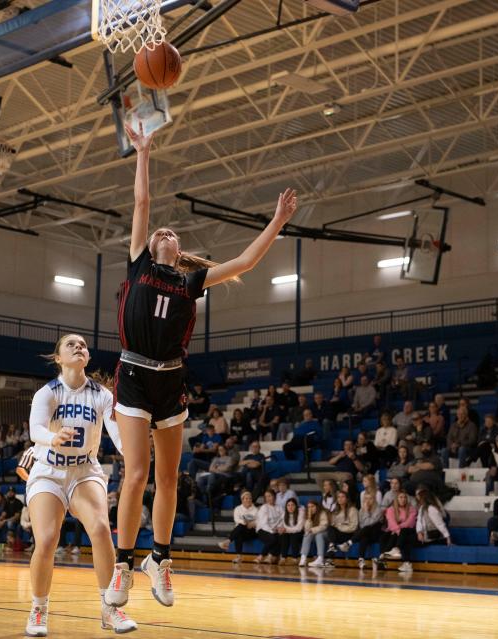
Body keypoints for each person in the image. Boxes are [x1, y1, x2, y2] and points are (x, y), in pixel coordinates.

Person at [106, 124, 297, 609]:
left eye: (173, 232)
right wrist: (143, 152)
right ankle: (122, 567)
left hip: (171, 379)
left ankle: (160, 561)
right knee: (135, 475)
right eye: (160, 233)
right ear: (150, 246)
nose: (166, 231)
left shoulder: (193, 282)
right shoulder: (138, 266)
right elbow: (142, 203)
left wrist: (277, 221)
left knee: (169, 480)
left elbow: (247, 262)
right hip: (131, 375)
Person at [24, 334, 136, 636]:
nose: (79, 347)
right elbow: (36, 429)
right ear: (58, 357)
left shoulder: (101, 394)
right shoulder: (47, 393)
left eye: (83, 345)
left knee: (100, 529)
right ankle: (39, 608)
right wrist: (52, 437)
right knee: (47, 540)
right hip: (48, 471)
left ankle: (109, 608)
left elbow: (117, 434)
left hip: (85, 470)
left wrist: (133, 451)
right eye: (71, 344)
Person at [410, 488, 451, 572]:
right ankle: (405, 559)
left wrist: (448, 537)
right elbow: (419, 522)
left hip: (431, 536)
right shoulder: (422, 508)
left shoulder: (431, 509)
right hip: (424, 534)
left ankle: (407, 561)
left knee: (407, 540)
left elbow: (440, 524)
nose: (417, 499)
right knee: (405, 535)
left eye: (419, 497)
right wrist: (419, 532)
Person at [378, 490, 417, 569]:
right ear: (396, 499)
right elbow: (391, 523)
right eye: (401, 497)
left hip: (409, 531)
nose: (403, 499)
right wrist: (398, 531)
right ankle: (384, 557)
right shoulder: (391, 509)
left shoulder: (412, 509)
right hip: (396, 531)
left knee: (403, 533)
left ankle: (384, 556)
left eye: (405, 497)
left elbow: (410, 523)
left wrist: (398, 530)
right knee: (384, 537)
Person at [353, 475, 384, 570]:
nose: (363, 482)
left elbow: (377, 509)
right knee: (364, 535)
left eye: (365, 480)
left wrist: (368, 512)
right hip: (366, 523)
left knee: (368, 528)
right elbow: (363, 512)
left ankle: (350, 542)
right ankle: (361, 559)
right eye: (363, 481)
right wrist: (365, 512)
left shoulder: (378, 494)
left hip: (376, 524)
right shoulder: (362, 494)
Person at [218, 491, 258, 562]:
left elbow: (258, 521)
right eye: (246, 498)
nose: (248, 500)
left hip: (252, 531)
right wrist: (245, 523)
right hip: (241, 530)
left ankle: (228, 541)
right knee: (239, 532)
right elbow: (236, 520)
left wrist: (252, 523)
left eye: (250, 498)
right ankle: (239, 557)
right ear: (242, 500)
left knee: (239, 528)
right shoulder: (238, 509)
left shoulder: (255, 510)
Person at [254, 489, 283, 564]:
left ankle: (270, 556)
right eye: (266, 497)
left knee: (280, 537)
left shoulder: (279, 507)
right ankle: (262, 556)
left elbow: (282, 520)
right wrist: (272, 531)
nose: (268, 498)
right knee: (273, 539)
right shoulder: (264, 508)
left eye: (270, 496)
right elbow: (264, 524)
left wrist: (279, 528)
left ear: (274, 497)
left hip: (275, 529)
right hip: (263, 530)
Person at [276, 498, 305, 564]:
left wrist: (286, 530)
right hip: (289, 532)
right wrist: (280, 529)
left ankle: (295, 558)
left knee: (293, 536)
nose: (290, 507)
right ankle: (283, 558)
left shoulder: (300, 512)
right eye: (288, 505)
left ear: (296, 506)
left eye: (292, 505)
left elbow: (299, 528)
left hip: (300, 532)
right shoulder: (284, 514)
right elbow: (281, 525)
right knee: (283, 535)